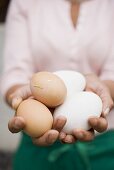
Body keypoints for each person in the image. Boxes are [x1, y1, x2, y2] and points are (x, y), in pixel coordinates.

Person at [1, 0, 114, 169]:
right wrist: (22, 98)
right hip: (37, 149)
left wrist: (105, 89)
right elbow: (14, 73)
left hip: (105, 146)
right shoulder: (25, 3)